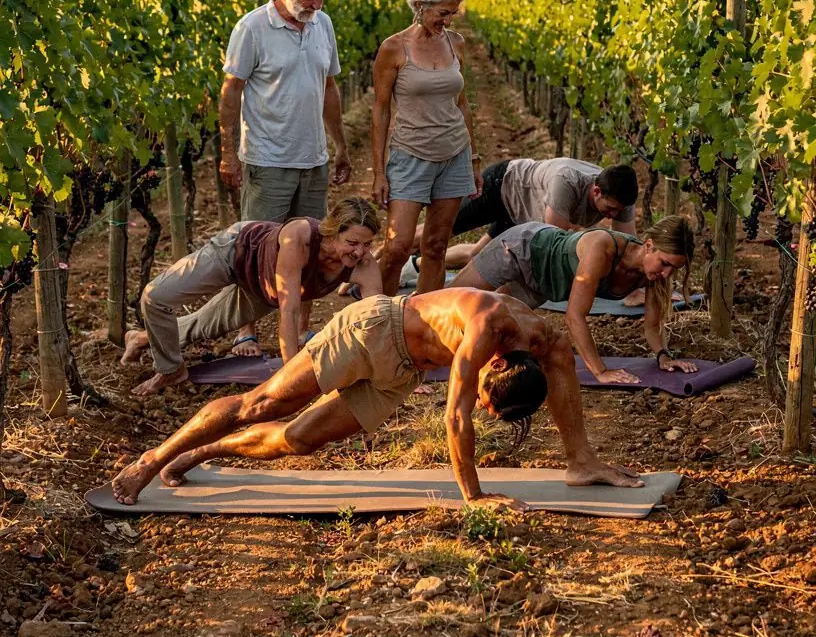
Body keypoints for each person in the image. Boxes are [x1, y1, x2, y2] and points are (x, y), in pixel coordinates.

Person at [111, 288, 641, 507]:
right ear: (495, 364)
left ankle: (200, 453)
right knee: (264, 404)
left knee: (298, 441)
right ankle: (153, 458)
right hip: (373, 330)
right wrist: (474, 499)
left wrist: (580, 457)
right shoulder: (485, 327)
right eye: (488, 395)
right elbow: (456, 417)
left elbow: (565, 378)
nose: (480, 402)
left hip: (403, 371)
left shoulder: (545, 341)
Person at [219, 0, 351, 355]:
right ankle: (246, 332)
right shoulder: (253, 27)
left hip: (313, 158)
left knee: (312, 246)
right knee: (255, 247)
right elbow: (230, 93)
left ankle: (303, 329)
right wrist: (228, 153)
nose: (316, 5)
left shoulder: (322, 25)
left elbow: (329, 88)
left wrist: (341, 144)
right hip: (267, 158)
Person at [120, 197, 381, 398]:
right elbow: (288, 310)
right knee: (156, 296)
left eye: (367, 244)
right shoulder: (300, 238)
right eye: (352, 242)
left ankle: (141, 338)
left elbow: (376, 323)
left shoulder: (365, 266)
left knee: (203, 327)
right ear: (333, 231)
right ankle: (170, 370)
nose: (360, 252)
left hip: (260, 290)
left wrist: (386, 374)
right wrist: (290, 379)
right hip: (235, 252)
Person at [451, 216, 697, 387]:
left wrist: (664, 356)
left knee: (490, 327)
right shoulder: (604, 248)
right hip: (523, 249)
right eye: (664, 263)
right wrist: (600, 371)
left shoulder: (654, 276)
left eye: (673, 269)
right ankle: (413, 357)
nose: (666, 274)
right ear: (649, 246)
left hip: (541, 286)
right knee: (452, 300)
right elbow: (574, 316)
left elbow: (652, 326)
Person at [372, 0, 481, 296]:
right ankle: (379, 317)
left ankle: (424, 322)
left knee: (435, 247)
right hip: (410, 157)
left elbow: (462, 105)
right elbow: (380, 110)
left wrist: (474, 159)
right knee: (397, 247)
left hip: (454, 156)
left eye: (454, 13)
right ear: (420, 6)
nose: (449, 20)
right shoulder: (394, 49)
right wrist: (379, 172)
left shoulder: (456, 43)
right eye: (443, 13)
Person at [412, 158, 639, 274]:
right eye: (609, 209)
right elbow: (555, 240)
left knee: (476, 255)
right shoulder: (567, 182)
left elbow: (628, 249)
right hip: (503, 186)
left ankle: (414, 266)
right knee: (436, 234)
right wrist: (593, 238)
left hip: (525, 213)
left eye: (617, 211)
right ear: (596, 191)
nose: (612, 216)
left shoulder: (620, 196)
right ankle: (390, 253)